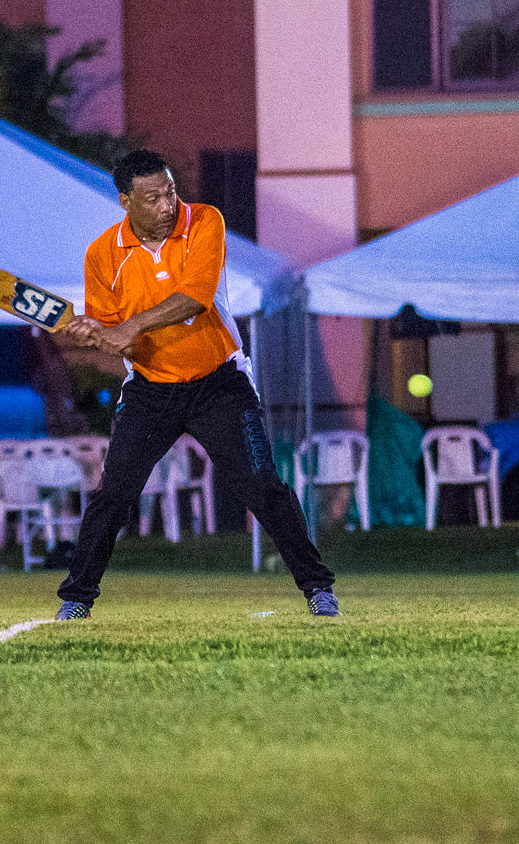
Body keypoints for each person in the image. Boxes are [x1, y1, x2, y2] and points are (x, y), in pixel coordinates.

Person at [56, 150, 336, 618]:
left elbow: (196, 297)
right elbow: (115, 336)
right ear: (126, 202)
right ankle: (76, 600)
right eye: (153, 198)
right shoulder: (102, 254)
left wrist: (129, 327)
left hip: (219, 383)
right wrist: (98, 334)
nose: (168, 205)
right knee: (113, 494)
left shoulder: (204, 221)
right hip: (150, 389)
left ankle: (318, 589)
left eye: (170, 192)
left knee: (263, 488)